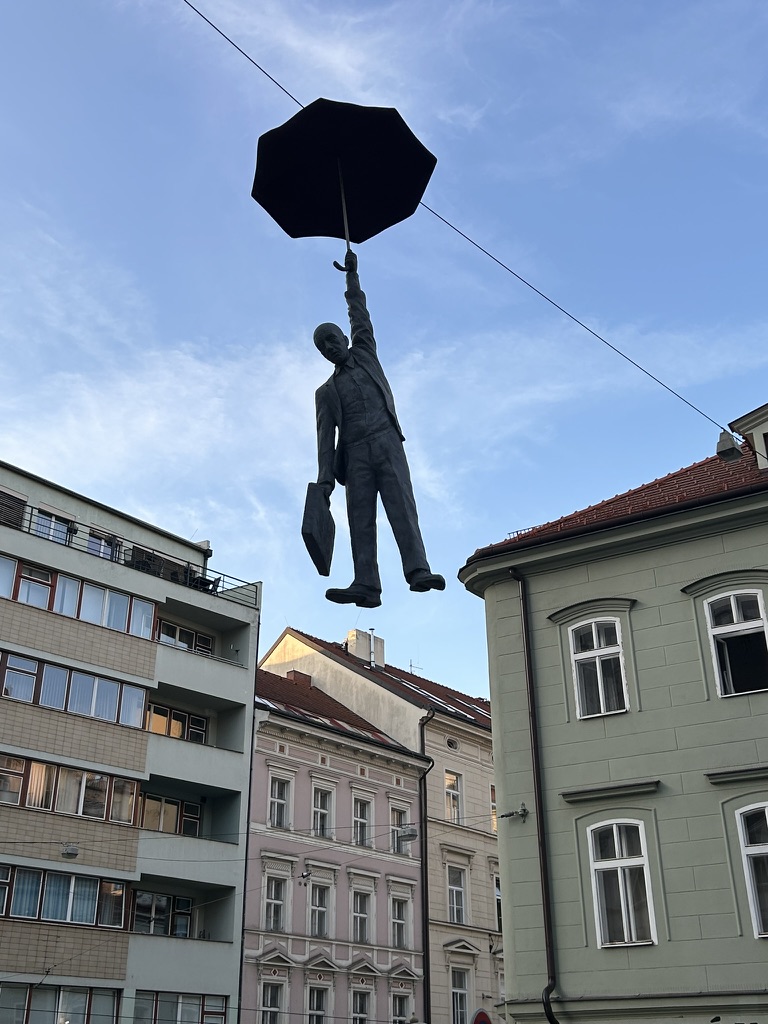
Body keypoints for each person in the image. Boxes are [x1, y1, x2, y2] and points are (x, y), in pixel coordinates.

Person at [313, 249, 444, 608]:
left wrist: (351, 279)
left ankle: (418, 570)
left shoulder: (366, 351)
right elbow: (325, 442)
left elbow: (360, 314)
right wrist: (325, 483)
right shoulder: (325, 393)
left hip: (386, 441)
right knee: (360, 519)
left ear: (344, 338)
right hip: (354, 454)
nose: (329, 347)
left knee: (402, 505)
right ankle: (366, 584)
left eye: (332, 339)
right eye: (322, 346)